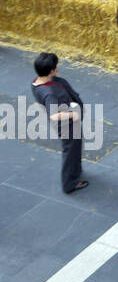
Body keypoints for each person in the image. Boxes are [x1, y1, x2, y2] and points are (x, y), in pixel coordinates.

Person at [31, 53, 89, 194]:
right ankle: (69, 183)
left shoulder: (39, 82)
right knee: (70, 151)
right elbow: (54, 115)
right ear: (51, 71)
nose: (57, 69)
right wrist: (73, 114)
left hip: (69, 122)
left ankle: (76, 170)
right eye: (55, 68)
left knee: (75, 147)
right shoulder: (49, 93)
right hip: (67, 125)